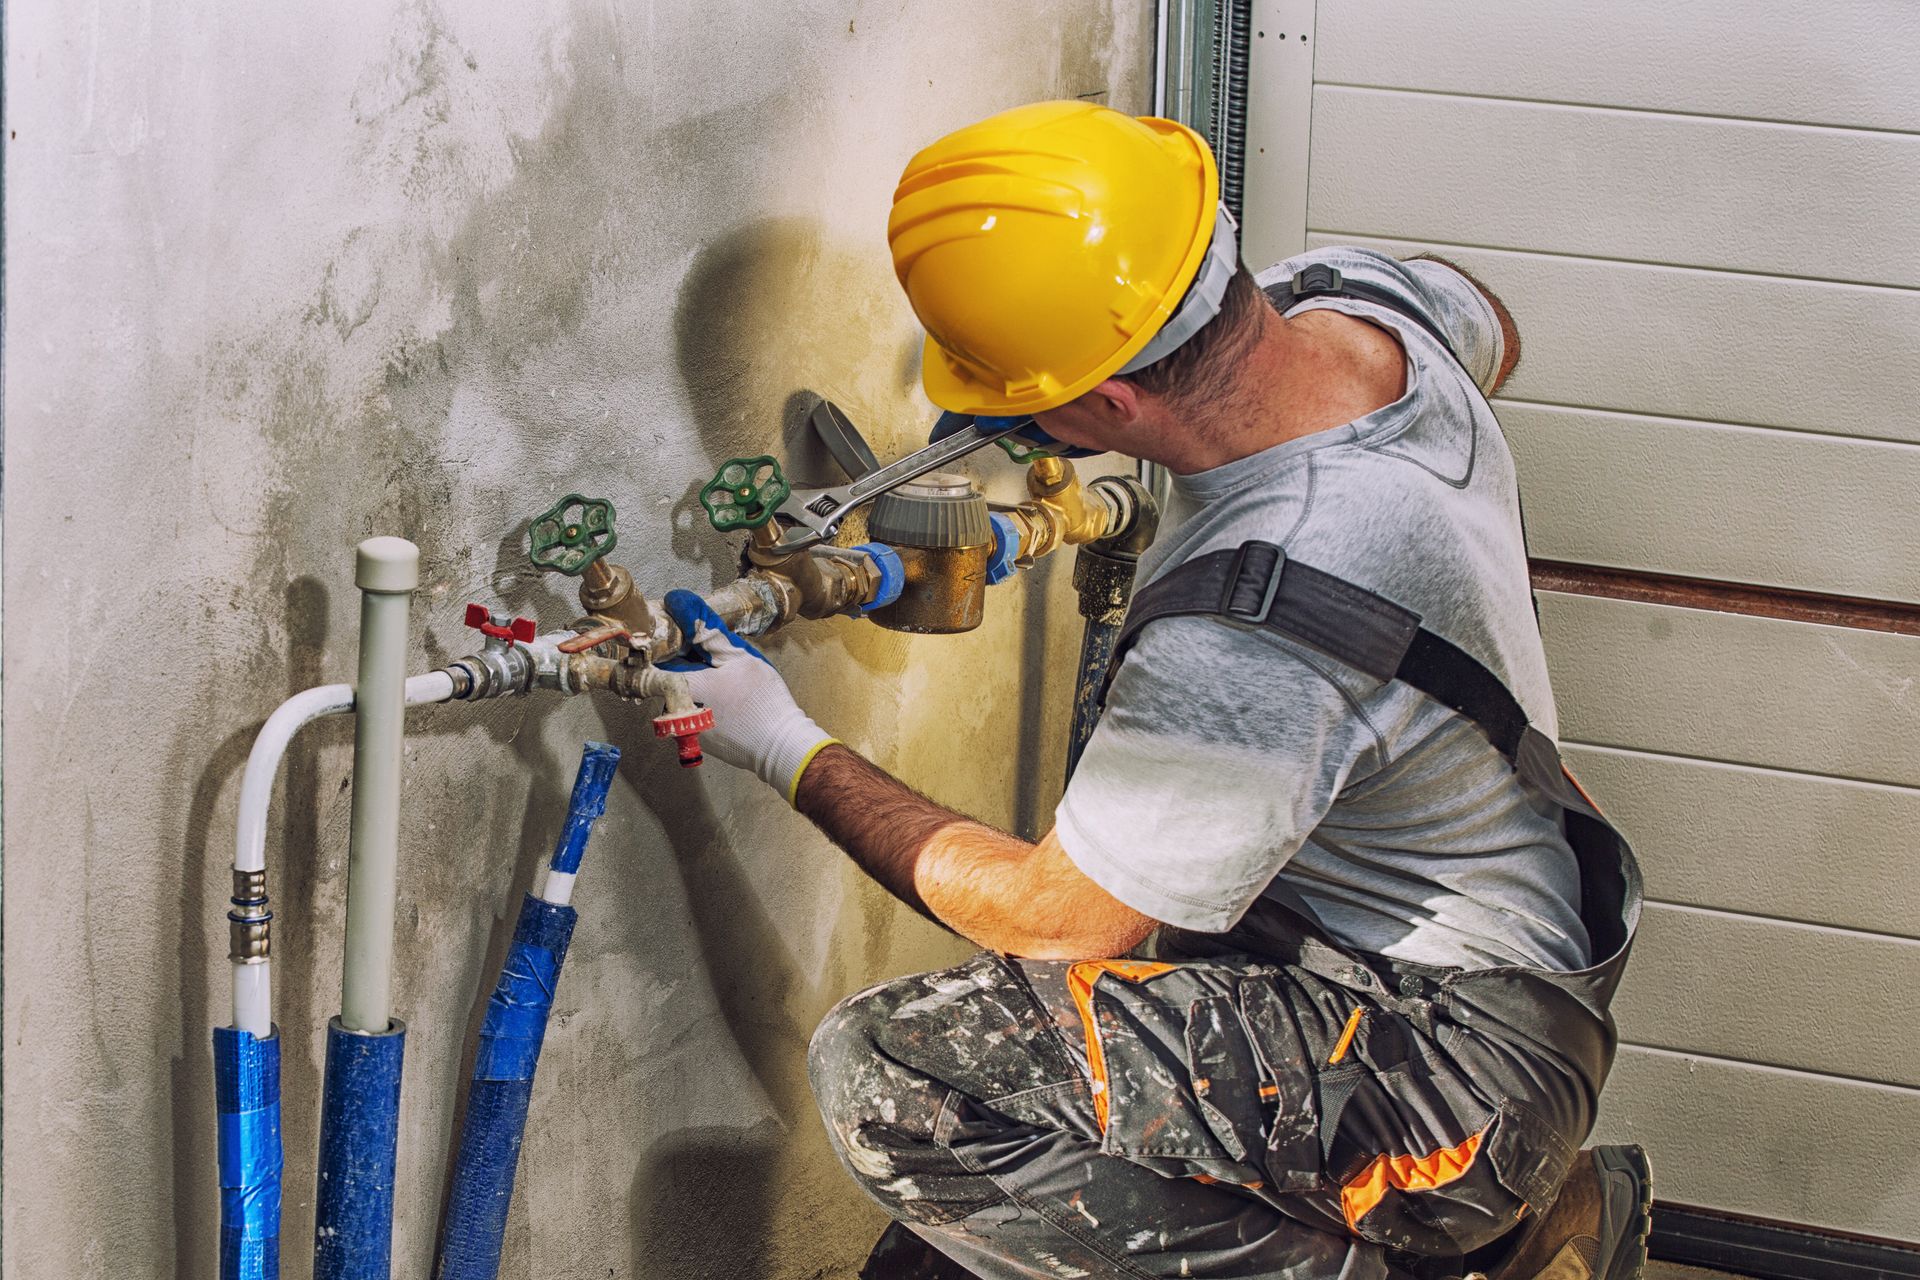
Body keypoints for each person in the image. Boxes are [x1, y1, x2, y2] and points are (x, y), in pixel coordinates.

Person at [661, 100, 1649, 1280]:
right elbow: (1492, 318)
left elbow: (1053, 917)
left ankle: (1423, 1252)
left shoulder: (1253, 628)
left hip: (1448, 1075)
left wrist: (779, 740)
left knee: (896, 1073)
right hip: (1468, 949)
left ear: (1109, 407)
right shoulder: (1360, 303)